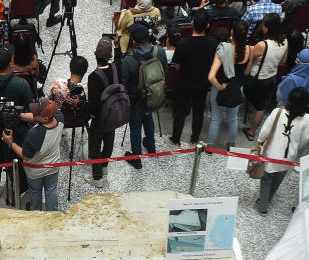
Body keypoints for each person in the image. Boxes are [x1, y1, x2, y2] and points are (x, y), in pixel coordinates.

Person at [252, 87, 309, 215]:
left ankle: (263, 206)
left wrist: (259, 142)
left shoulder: (277, 112)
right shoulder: (307, 119)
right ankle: (267, 200)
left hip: (271, 154)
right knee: (277, 180)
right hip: (289, 157)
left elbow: (264, 132)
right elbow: (304, 140)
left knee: (267, 179)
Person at [2, 98, 64, 211]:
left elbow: (25, 156)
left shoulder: (34, 133)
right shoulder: (59, 117)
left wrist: (10, 142)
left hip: (35, 171)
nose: (33, 113)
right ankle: (53, 214)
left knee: (35, 191)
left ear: (45, 118)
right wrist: (20, 116)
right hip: (53, 166)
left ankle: (36, 214)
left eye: (36, 113)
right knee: (51, 189)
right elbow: (38, 118)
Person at [121, 24, 167, 168]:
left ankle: (137, 159)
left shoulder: (128, 60)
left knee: (135, 128)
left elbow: (123, 83)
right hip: (154, 95)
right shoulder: (159, 51)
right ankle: (151, 146)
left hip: (136, 100)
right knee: (148, 117)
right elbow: (164, 70)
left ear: (133, 41)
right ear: (148, 37)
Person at [169, 11, 217, 147]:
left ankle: (176, 139)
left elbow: (177, 66)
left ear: (192, 23)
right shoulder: (213, 43)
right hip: (202, 83)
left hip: (184, 82)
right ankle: (194, 139)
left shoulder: (183, 44)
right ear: (207, 25)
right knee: (198, 112)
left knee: (180, 111)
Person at [243, 14, 288, 141]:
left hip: (256, 80)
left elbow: (251, 59)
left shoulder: (263, 44)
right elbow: (283, 60)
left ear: (267, 28)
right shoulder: (285, 40)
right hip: (271, 78)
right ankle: (252, 132)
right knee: (261, 107)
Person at [207, 24, 249, 149]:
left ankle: (210, 146)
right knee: (233, 119)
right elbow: (246, 73)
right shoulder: (249, 50)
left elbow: (211, 77)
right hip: (237, 88)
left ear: (232, 32)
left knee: (216, 119)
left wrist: (220, 87)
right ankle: (231, 143)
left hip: (221, 86)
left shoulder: (223, 48)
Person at [85, 37, 118, 186]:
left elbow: (94, 104)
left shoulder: (93, 77)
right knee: (109, 140)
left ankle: (97, 177)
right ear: (110, 56)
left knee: (94, 144)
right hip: (113, 113)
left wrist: (88, 113)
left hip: (100, 117)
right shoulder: (115, 67)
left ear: (94, 53)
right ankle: (104, 166)